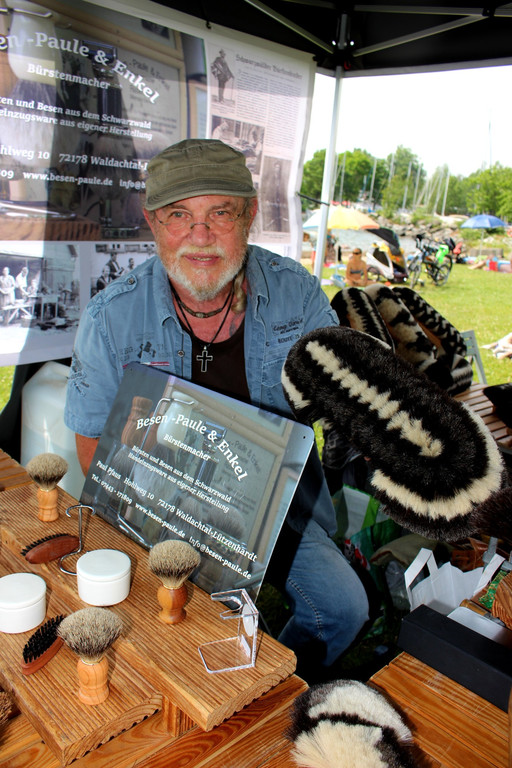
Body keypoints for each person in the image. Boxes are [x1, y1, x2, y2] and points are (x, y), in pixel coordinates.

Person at [64, 138, 369, 682]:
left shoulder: (296, 294)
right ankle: (234, 675)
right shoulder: (111, 317)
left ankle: (281, 682)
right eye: (180, 215)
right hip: (163, 509)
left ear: (248, 216)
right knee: (189, 636)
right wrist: (167, 532)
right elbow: (92, 444)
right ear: (154, 222)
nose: (200, 236)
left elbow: (348, 392)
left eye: (219, 213)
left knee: (344, 608)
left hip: (276, 508)